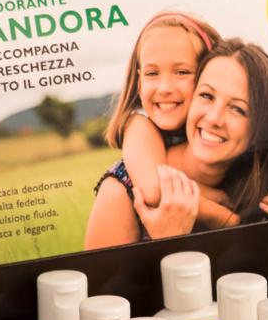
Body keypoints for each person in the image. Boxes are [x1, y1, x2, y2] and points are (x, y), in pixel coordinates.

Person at [85, 37, 268, 248]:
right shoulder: (124, 191)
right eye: (206, 95)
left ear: (261, 129)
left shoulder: (253, 200)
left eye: (237, 109)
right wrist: (168, 243)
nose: (214, 118)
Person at [99, 12, 239, 230]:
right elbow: (155, 189)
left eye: (181, 72)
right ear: (139, 83)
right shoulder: (139, 123)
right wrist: (223, 216)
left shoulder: (217, 132)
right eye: (152, 73)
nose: (164, 88)